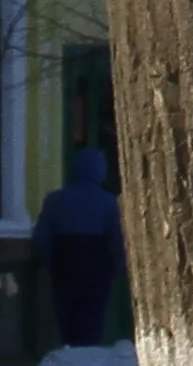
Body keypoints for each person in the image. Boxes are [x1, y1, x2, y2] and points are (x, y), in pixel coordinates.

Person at [34, 141, 127, 350]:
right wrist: (118, 266)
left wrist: (49, 261)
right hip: (97, 265)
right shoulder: (109, 203)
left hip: (64, 263)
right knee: (92, 315)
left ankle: (70, 351)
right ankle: (87, 355)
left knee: (67, 314)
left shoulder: (55, 200)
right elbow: (117, 238)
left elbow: (42, 236)